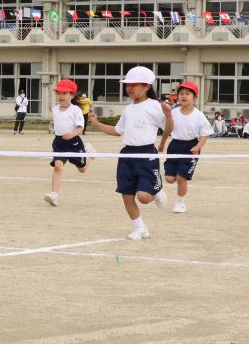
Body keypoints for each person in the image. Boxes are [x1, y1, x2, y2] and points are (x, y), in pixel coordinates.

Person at [89, 66, 173, 240]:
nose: (129, 88)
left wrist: (169, 116)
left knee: (143, 197)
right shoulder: (128, 109)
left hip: (146, 154)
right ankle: (140, 227)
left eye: (134, 84)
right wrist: (97, 125)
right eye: (127, 84)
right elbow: (118, 130)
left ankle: (156, 190)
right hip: (127, 154)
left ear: (146, 86)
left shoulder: (155, 106)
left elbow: (169, 129)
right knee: (127, 195)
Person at [159, 82, 213, 214]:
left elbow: (205, 133)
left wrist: (198, 146)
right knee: (169, 179)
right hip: (175, 145)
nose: (184, 96)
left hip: (191, 147)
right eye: (181, 94)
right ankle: (158, 191)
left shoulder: (199, 115)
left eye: (187, 94)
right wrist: (162, 143)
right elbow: (167, 129)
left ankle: (180, 202)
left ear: (194, 97)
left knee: (180, 177)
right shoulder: (173, 113)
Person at [44, 80, 94, 207]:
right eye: (58, 93)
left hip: (74, 142)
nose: (60, 96)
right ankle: (54, 194)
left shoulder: (76, 110)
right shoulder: (55, 109)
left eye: (64, 93)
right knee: (58, 167)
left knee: (82, 169)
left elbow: (80, 127)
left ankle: (89, 155)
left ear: (71, 95)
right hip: (59, 143)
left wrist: (71, 134)